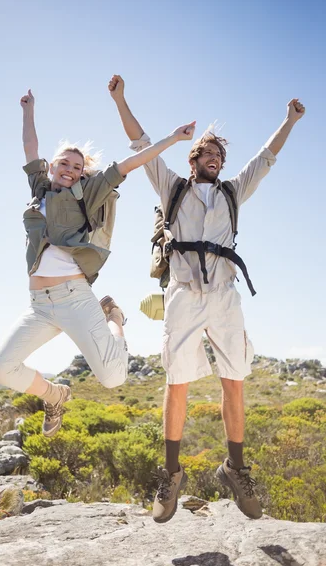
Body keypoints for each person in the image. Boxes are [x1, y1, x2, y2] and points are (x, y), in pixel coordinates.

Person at [109, 74, 305, 523]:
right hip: (182, 295)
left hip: (225, 296)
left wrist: (289, 120)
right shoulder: (172, 186)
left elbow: (267, 158)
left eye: (220, 154)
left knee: (234, 378)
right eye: (208, 153)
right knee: (177, 381)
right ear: (193, 158)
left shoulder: (234, 192)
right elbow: (140, 144)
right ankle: (171, 474)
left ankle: (235, 468)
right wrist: (122, 99)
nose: (215, 158)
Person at [0, 87, 196, 438]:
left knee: (114, 378)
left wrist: (173, 139)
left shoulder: (91, 190)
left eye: (76, 166)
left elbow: (132, 162)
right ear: (51, 167)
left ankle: (114, 317)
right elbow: (30, 147)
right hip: (39, 305)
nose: (69, 170)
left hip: (74, 297)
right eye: (63, 164)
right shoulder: (39, 189)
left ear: (83, 172)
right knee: (1, 369)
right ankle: (54, 396)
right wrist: (28, 110)